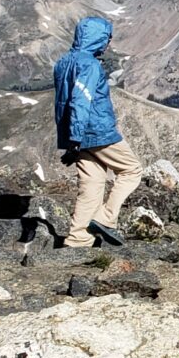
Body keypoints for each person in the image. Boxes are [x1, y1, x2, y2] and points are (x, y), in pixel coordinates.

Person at [51, 15, 143, 247]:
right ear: (98, 38)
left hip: (77, 134)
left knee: (92, 183)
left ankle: (78, 239)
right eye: (107, 38)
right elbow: (80, 100)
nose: (108, 43)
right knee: (131, 170)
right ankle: (105, 219)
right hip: (96, 131)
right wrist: (76, 137)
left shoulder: (63, 62)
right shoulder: (90, 65)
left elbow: (64, 101)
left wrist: (72, 142)